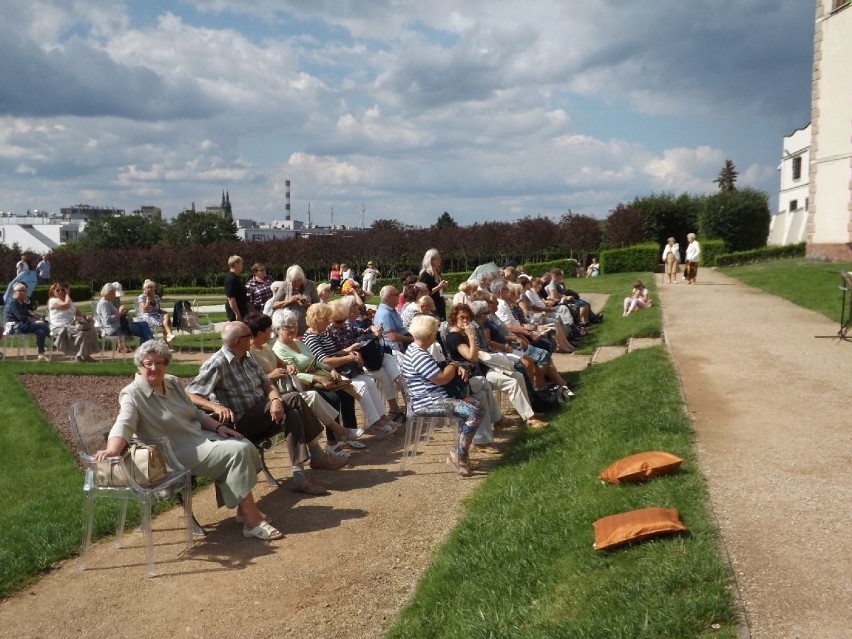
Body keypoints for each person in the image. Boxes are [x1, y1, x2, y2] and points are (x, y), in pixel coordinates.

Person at [92, 340, 281, 540]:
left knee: (244, 443)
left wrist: (219, 427)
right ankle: (252, 522)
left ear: (166, 364)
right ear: (140, 365)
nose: (154, 368)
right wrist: (112, 450)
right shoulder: (132, 393)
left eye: (160, 363)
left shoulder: (171, 382)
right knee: (237, 452)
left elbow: (196, 414)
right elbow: (124, 423)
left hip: (197, 439)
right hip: (172, 452)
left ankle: (244, 511)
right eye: (148, 363)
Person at [185, 321, 346, 496]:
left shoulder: (247, 357)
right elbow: (190, 394)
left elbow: (266, 383)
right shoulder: (217, 363)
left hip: (262, 412)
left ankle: (299, 475)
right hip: (241, 421)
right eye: (249, 336)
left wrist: (276, 399)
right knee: (294, 398)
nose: (252, 339)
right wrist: (214, 406)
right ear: (238, 341)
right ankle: (318, 455)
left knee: (291, 413)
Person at [244, 312, 364, 458]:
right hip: (272, 393)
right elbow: (252, 380)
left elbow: (285, 362)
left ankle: (336, 439)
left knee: (332, 395)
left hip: (286, 387)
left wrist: (287, 366)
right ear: (260, 332)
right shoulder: (250, 353)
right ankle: (338, 436)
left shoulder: (265, 347)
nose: (272, 332)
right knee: (321, 398)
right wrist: (272, 375)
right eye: (269, 329)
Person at [401, 314, 482, 477]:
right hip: (427, 402)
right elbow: (441, 379)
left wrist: (452, 366)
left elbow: (438, 371)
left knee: (476, 406)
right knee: (473, 412)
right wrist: (454, 365)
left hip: (435, 397)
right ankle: (459, 457)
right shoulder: (419, 354)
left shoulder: (416, 349)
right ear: (430, 335)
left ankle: (459, 452)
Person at [302, 302, 398, 435]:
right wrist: (349, 358)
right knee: (362, 385)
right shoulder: (312, 338)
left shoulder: (322, 333)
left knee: (369, 382)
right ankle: (374, 422)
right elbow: (325, 361)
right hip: (329, 374)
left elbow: (334, 353)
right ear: (317, 320)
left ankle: (382, 417)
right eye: (326, 320)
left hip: (341, 369)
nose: (328, 322)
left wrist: (349, 351)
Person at [328, 297, 404, 420]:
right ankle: (382, 414)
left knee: (387, 360)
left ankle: (389, 410)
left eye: (343, 320)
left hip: (358, 361)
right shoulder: (329, 331)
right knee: (376, 375)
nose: (342, 324)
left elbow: (363, 330)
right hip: (346, 366)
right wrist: (349, 351)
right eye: (339, 321)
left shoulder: (347, 326)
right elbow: (329, 355)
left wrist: (373, 328)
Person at [46, 282, 99, 362]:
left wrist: (86, 316)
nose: (61, 291)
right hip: (58, 326)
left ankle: (84, 355)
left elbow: (77, 311)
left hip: (71, 325)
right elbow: (65, 305)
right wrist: (67, 294)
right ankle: (81, 356)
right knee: (81, 332)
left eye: (62, 290)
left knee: (90, 330)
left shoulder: (68, 300)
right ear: (53, 292)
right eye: (58, 290)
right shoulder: (53, 301)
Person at [96, 282, 154, 352]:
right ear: (109, 293)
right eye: (114, 294)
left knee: (144, 324)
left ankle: (149, 347)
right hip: (114, 329)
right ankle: (150, 347)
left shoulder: (107, 302)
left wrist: (122, 313)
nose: (115, 296)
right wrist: (119, 313)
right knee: (142, 330)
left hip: (119, 325)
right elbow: (107, 320)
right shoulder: (104, 304)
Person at [4, 282, 51, 361]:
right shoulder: (13, 303)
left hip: (22, 325)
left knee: (41, 331)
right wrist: (37, 322)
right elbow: (22, 318)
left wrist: (39, 319)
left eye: (24, 291)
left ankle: (41, 354)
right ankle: (57, 342)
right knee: (42, 325)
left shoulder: (21, 302)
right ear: (14, 292)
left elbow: (29, 314)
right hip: (13, 327)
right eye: (20, 291)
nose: (23, 293)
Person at [267, 264, 319, 335]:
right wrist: (289, 301)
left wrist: (308, 305)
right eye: (294, 281)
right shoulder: (285, 285)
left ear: (302, 278)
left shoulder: (310, 285)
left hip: (306, 326)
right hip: (288, 326)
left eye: (299, 280)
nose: (296, 283)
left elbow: (318, 305)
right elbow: (274, 305)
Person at [373, 284, 414, 351]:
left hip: (402, 344)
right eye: (397, 294)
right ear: (389, 297)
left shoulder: (391, 310)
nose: (400, 296)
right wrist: (412, 339)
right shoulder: (385, 313)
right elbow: (393, 337)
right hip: (395, 351)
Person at [419, 248, 449, 321]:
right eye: (437, 258)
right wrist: (439, 287)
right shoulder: (425, 275)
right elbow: (424, 293)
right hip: (431, 305)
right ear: (430, 260)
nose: (440, 259)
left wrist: (442, 286)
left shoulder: (438, 272)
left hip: (440, 303)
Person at [224, 255, 249, 321]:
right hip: (236, 310)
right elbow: (231, 299)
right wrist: (237, 313)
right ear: (236, 264)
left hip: (242, 308)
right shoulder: (231, 279)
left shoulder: (235, 277)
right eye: (241, 264)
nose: (242, 266)